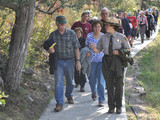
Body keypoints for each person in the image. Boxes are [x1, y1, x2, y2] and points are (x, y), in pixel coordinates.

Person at [90, 17, 131, 114]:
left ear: (113, 26)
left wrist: (119, 52)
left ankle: (119, 106)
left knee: (119, 86)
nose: (105, 27)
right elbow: (98, 50)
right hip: (107, 62)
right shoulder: (103, 37)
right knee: (109, 85)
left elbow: (128, 50)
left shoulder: (121, 37)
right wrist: (93, 49)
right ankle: (111, 107)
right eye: (106, 25)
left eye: (107, 25)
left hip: (118, 63)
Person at [43, 15, 81, 112]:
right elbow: (47, 46)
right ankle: (59, 103)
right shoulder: (53, 35)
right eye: (61, 23)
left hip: (70, 60)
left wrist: (78, 61)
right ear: (57, 24)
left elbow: (76, 47)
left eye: (64, 23)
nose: (63, 25)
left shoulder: (72, 33)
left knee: (71, 82)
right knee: (58, 83)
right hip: (58, 61)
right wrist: (49, 50)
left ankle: (69, 95)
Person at [85, 20, 106, 107]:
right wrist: (87, 52)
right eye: (95, 27)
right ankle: (93, 91)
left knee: (101, 80)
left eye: (98, 27)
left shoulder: (104, 36)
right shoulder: (89, 36)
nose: (97, 28)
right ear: (92, 27)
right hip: (91, 61)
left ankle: (101, 99)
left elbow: (106, 48)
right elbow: (86, 46)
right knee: (92, 79)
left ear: (101, 27)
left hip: (101, 61)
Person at [74, 27, 87, 92]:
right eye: (76, 33)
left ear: (81, 33)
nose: (77, 34)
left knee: (82, 71)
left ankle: (82, 85)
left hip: (82, 57)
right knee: (75, 71)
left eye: (79, 32)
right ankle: (77, 82)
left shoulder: (84, 40)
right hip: (74, 57)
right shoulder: (73, 40)